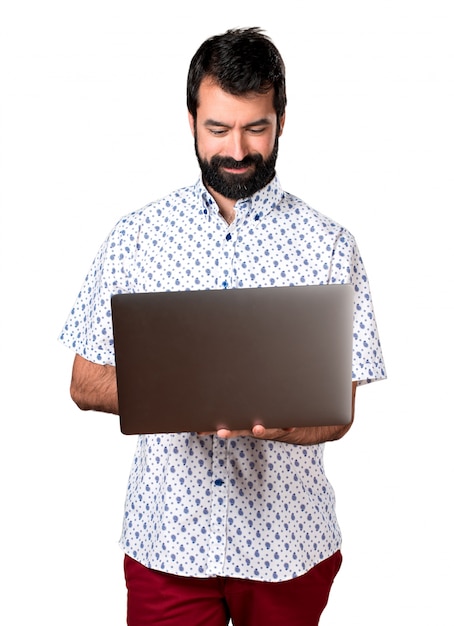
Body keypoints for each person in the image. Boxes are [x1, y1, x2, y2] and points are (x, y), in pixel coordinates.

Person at [60, 27, 386, 626]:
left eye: (255, 127)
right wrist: (184, 396)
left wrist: (285, 423)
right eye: (218, 129)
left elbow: (339, 408)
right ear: (190, 121)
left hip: (290, 545)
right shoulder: (135, 237)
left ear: (281, 119)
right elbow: (83, 382)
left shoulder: (331, 246)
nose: (237, 148)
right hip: (168, 544)